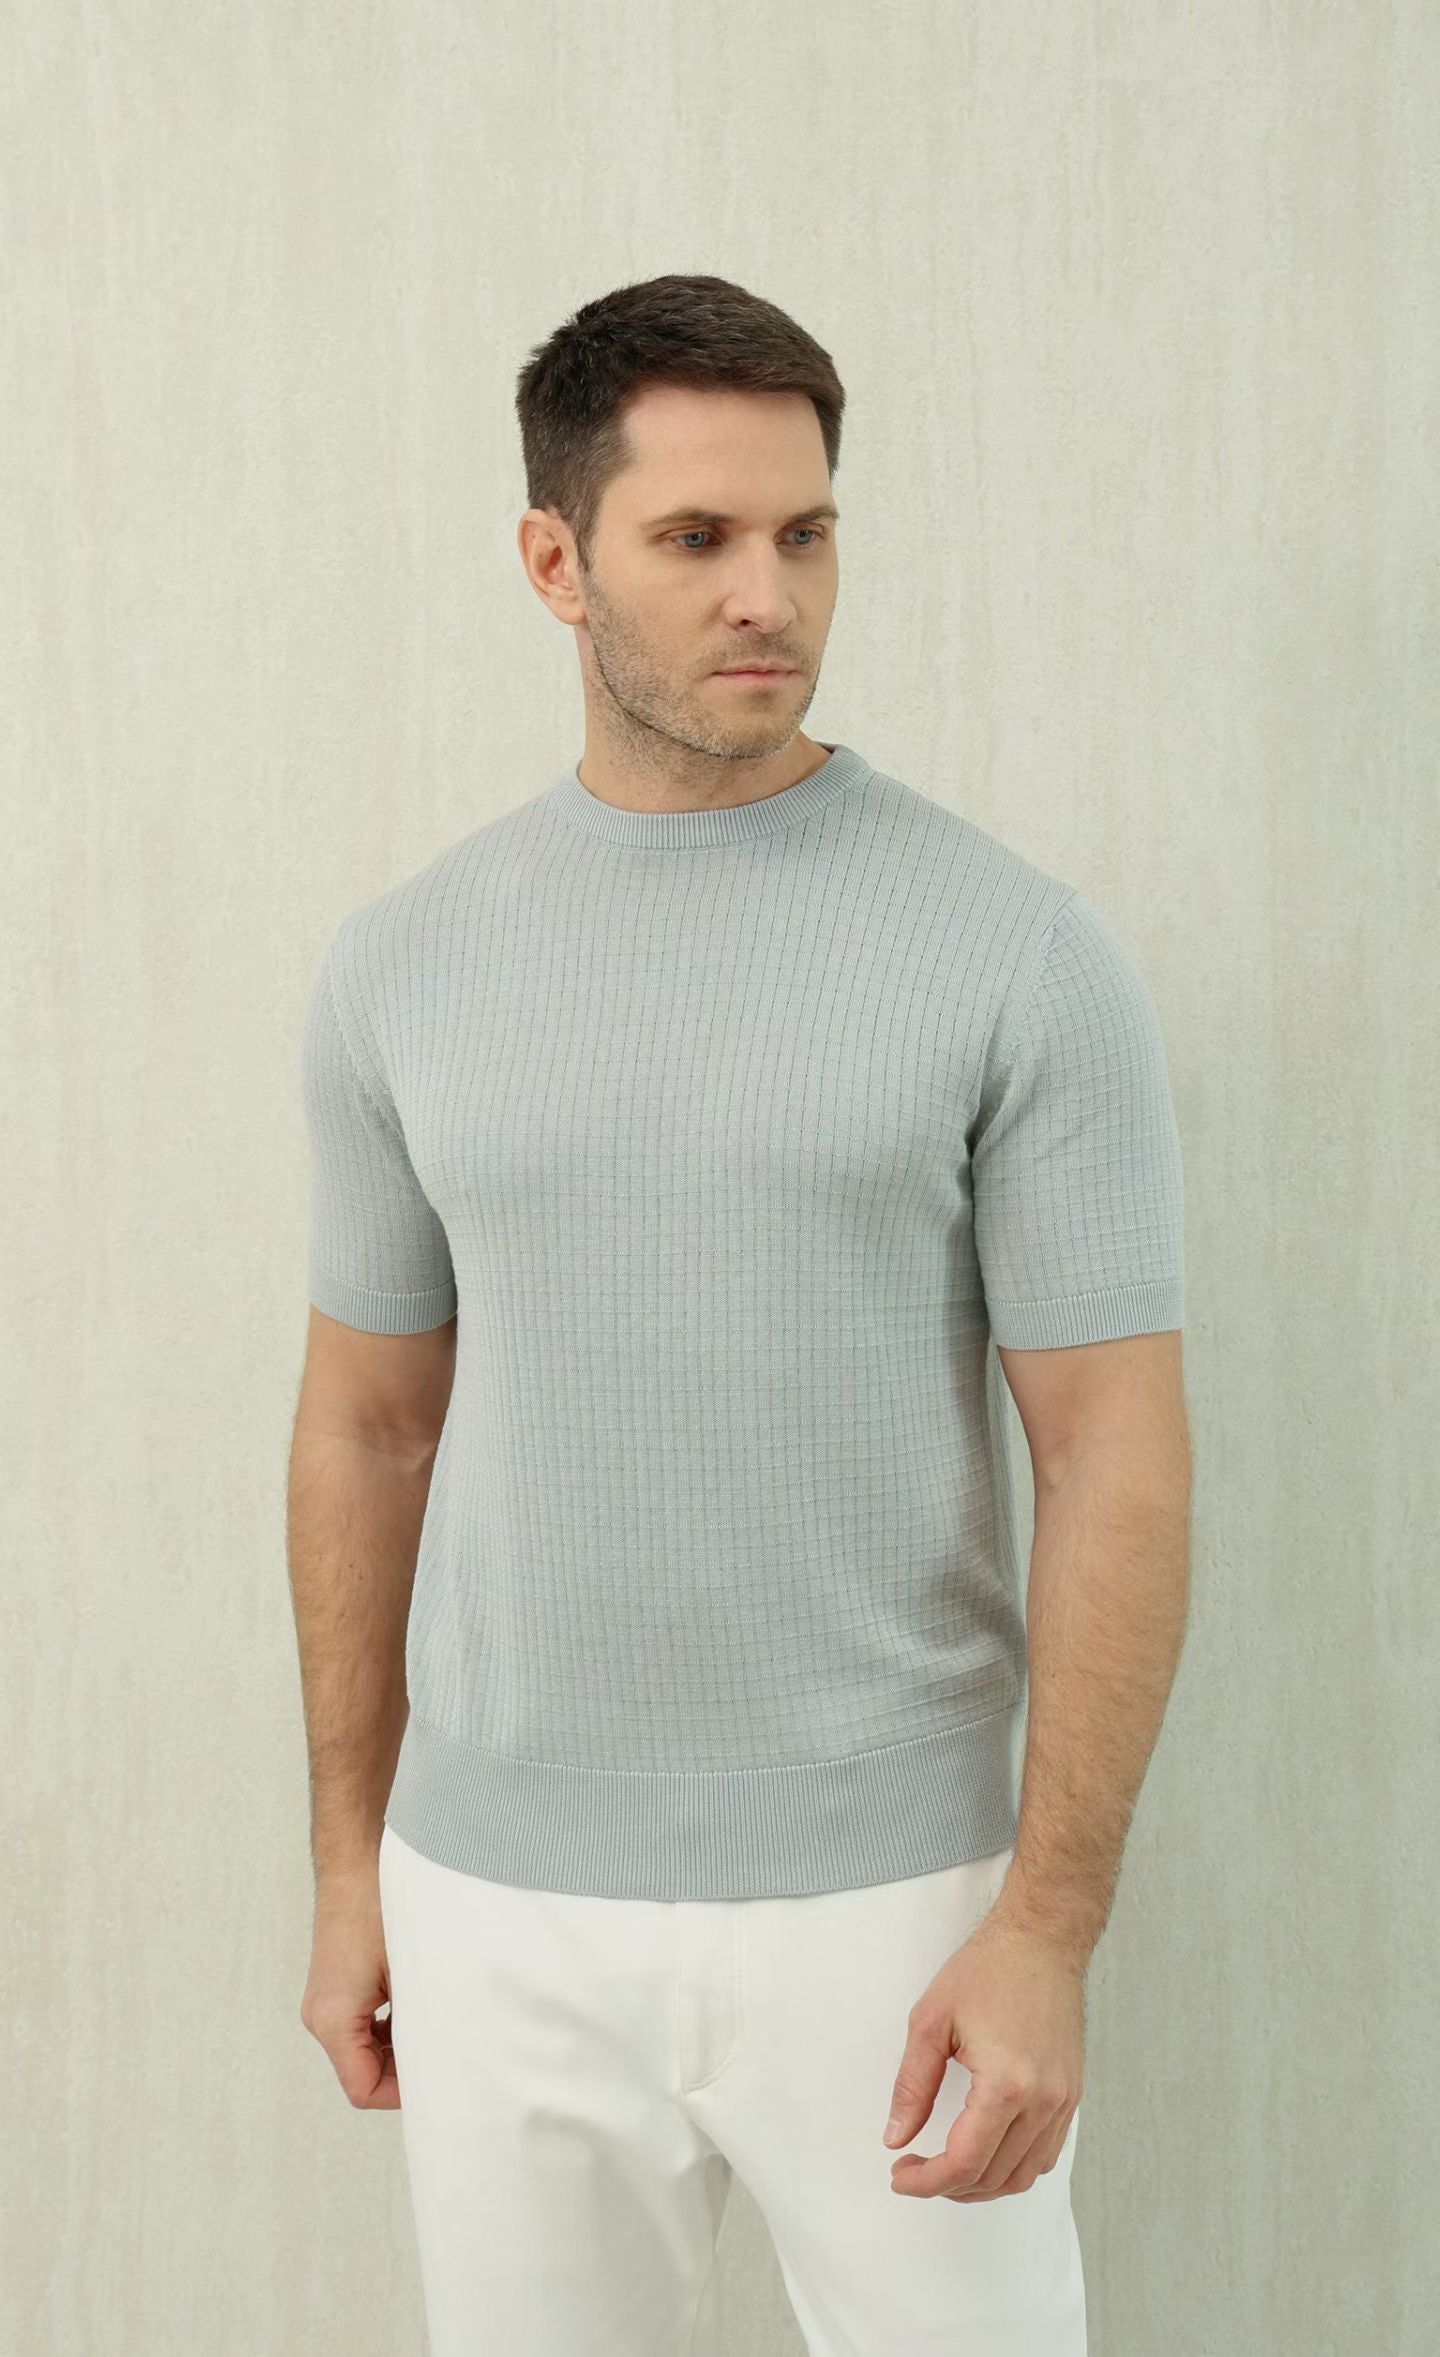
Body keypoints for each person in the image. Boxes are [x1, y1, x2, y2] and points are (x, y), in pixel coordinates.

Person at [288, 272, 1193, 2356]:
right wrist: (351, 1865)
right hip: (493, 1901)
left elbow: (1112, 1456)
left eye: (806, 532)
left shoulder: (1017, 953)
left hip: (896, 1912)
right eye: (695, 537)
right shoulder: (401, 966)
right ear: (555, 561)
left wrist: (1047, 1926)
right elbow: (367, 1427)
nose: (767, 595)